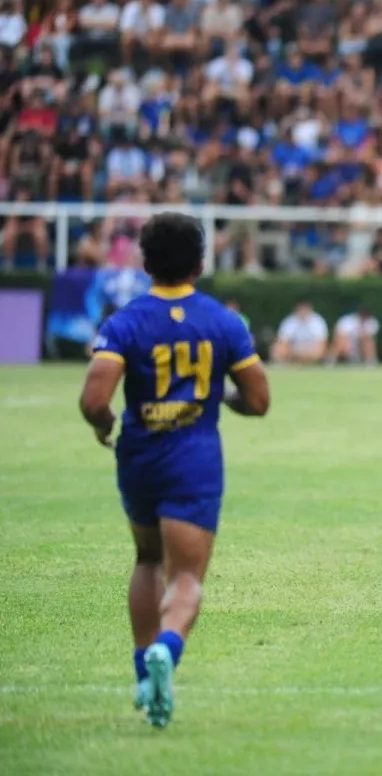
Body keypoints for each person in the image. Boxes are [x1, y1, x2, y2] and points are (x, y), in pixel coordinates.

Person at [77, 212, 271, 728]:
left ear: (145, 262)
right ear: (201, 262)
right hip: (193, 457)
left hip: (139, 454)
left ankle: (144, 673)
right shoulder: (223, 321)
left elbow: (95, 399)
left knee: (146, 559)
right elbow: (259, 399)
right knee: (185, 576)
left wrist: (104, 425)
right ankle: (168, 647)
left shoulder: (124, 322)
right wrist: (222, 396)